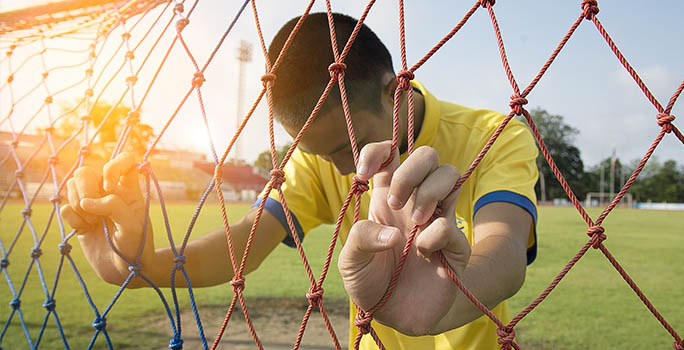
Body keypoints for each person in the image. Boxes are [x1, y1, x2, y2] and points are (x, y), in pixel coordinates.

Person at [61, 12, 539, 350]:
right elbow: (243, 244)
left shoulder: (494, 136)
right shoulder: (316, 164)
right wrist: (138, 264)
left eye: (343, 148)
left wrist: (445, 302)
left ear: (395, 91)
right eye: (318, 154)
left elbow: (505, 248)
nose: (340, 170)